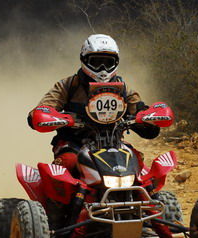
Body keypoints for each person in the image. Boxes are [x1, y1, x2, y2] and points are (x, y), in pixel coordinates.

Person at [27, 34, 159, 175]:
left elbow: (138, 110)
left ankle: (152, 195)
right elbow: (41, 110)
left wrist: (147, 119)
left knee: (136, 160)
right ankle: (61, 197)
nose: (102, 69)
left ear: (116, 62)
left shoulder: (123, 89)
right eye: (96, 62)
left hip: (113, 144)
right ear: (84, 60)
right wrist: (51, 117)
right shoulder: (68, 85)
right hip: (74, 143)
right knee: (68, 162)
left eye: (107, 63)